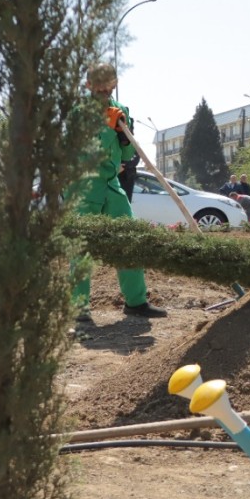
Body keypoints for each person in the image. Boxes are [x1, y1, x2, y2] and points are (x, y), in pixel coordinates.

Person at [75, 63, 166, 319]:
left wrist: (125, 137)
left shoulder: (121, 110)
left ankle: (135, 302)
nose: (105, 89)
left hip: (112, 184)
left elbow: (127, 154)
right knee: (83, 247)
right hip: (84, 186)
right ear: (89, 85)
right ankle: (78, 308)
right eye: (99, 84)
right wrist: (105, 125)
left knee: (128, 240)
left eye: (109, 83)